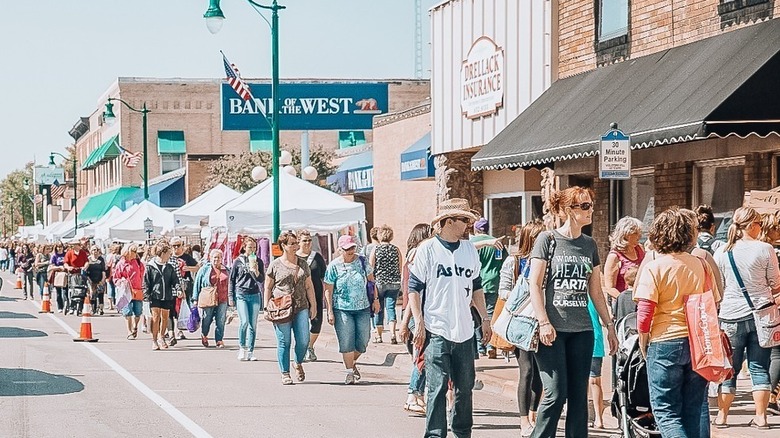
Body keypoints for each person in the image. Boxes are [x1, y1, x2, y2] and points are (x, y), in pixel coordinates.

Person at [527, 187, 617, 438]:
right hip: (552, 330)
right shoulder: (548, 240)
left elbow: (596, 292)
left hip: (583, 330)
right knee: (556, 393)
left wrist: (609, 326)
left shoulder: (589, 244)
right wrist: (543, 322)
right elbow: (534, 283)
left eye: (591, 204)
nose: (591, 210)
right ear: (569, 210)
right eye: (585, 206)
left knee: (579, 397)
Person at [406, 198, 493, 438]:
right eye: (464, 220)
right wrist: (419, 322)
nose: (468, 225)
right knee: (437, 387)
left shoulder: (469, 250)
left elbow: (476, 286)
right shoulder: (427, 249)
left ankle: (462, 432)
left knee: (465, 388)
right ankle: (435, 434)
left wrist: (485, 318)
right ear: (449, 221)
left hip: (464, 329)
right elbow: (413, 288)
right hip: (436, 328)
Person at [634, 207, 719, 437]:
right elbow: (712, 303)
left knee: (667, 413)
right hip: (697, 344)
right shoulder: (701, 265)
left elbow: (644, 314)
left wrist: (644, 343)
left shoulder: (654, 267)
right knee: (692, 411)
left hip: (664, 342)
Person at [713, 206, 780, 429]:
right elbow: (775, 283)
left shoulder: (722, 251)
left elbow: (717, 286)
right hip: (762, 315)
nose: (761, 227)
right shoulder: (765, 249)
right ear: (751, 225)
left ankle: (722, 416)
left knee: (729, 369)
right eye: (759, 223)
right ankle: (761, 417)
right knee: (759, 367)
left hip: (730, 315)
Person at [497, 219, 544, 437]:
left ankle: (534, 415)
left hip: (543, 321)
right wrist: (525, 291)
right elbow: (503, 292)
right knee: (526, 371)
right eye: (538, 238)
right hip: (523, 322)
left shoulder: (547, 261)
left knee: (541, 374)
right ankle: (523, 420)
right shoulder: (514, 262)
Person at [325, 235, 379, 385]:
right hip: (341, 308)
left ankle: (352, 362)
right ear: (340, 249)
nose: (350, 251)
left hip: (363, 307)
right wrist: (329, 310)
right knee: (347, 341)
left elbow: (371, 281)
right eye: (347, 248)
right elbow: (328, 289)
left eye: (352, 248)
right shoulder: (333, 266)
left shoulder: (362, 261)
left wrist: (376, 300)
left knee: (363, 341)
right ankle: (349, 372)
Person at [265, 231, 316, 385]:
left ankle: (298, 361)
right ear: (283, 246)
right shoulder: (275, 265)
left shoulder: (303, 263)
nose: (295, 246)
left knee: (303, 340)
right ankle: (285, 373)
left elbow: (309, 285)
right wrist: (267, 306)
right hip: (281, 308)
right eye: (292, 244)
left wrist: (313, 305)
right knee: (284, 341)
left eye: (296, 243)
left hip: (301, 306)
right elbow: (268, 287)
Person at [399, 223, 434, 415]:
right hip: (415, 311)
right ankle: (413, 394)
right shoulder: (418, 254)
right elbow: (416, 290)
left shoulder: (412, 254)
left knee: (422, 355)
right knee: (424, 355)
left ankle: (417, 395)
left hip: (412, 310)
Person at [469, 217, 505, 358]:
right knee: (489, 314)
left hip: (477, 283)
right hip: (494, 282)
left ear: (475, 229)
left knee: (475, 314)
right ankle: (491, 345)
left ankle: (480, 346)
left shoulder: (472, 244)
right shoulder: (497, 243)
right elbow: (504, 261)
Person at [758, 212, 780, 414]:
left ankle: (769, 398)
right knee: (777, 354)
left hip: (761, 307)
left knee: (765, 355)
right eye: (776, 227)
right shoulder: (771, 251)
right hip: (774, 306)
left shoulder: (755, 250)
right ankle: (768, 399)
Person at [230, 237, 265, 361]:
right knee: (244, 321)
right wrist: (231, 297)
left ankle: (250, 351)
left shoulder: (258, 261)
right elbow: (232, 279)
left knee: (253, 325)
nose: (252, 250)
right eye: (250, 247)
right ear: (244, 247)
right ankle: (242, 347)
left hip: (254, 294)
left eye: (254, 247)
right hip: (241, 294)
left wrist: (256, 271)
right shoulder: (238, 262)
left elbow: (261, 280)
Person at [297, 230, 327, 362]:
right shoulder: (294, 257)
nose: (308, 243)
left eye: (309, 240)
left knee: (317, 323)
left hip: (316, 295)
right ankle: (302, 348)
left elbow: (324, 278)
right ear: (298, 242)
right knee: (301, 325)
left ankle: (309, 346)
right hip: (300, 297)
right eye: (304, 240)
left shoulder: (317, 257)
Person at [143, 241, 180, 351]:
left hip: (167, 295)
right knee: (155, 318)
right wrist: (146, 295)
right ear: (163, 253)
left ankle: (161, 337)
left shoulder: (169, 267)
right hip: (155, 296)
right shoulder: (150, 266)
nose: (170, 255)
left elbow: (175, 280)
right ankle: (154, 340)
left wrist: (178, 289)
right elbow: (146, 282)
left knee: (165, 317)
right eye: (168, 253)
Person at [370, 225, 403, 344]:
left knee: (378, 308)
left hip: (379, 282)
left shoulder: (376, 249)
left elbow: (371, 267)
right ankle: (393, 334)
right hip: (394, 283)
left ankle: (379, 336)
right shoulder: (396, 249)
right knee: (391, 307)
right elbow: (400, 267)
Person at [194, 248, 230, 349]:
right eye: (214, 257)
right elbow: (197, 283)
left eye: (218, 258)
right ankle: (204, 334)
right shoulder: (204, 269)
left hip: (222, 298)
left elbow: (230, 284)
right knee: (207, 318)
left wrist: (231, 298)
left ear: (222, 258)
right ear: (210, 258)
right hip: (208, 297)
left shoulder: (226, 270)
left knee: (221, 320)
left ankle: (219, 340)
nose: (216, 260)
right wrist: (195, 299)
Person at [603, 216, 644, 302]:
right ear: (626, 235)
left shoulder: (640, 249)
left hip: (642, 300)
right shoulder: (614, 257)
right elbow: (610, 288)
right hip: (624, 303)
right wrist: (627, 301)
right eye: (635, 233)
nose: (639, 236)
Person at [113, 243, 145, 339]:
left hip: (137, 290)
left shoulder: (139, 263)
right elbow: (115, 278)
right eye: (133, 251)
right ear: (127, 252)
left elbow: (143, 275)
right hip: (126, 291)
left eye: (136, 251)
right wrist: (121, 281)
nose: (135, 253)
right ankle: (129, 331)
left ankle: (135, 326)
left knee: (138, 311)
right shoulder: (120, 264)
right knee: (127, 311)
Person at [84, 245, 106, 315]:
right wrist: (88, 279)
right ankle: (93, 308)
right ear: (91, 251)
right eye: (93, 250)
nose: (95, 251)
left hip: (99, 278)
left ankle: (101, 308)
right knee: (92, 294)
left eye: (96, 250)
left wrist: (103, 279)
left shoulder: (101, 259)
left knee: (100, 294)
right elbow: (85, 270)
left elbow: (103, 270)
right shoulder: (88, 259)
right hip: (91, 279)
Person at [49, 243, 68, 313]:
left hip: (65, 274)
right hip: (57, 274)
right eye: (58, 247)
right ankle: (60, 306)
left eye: (61, 247)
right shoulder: (54, 256)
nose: (59, 248)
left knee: (66, 291)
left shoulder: (66, 254)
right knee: (58, 292)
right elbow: (52, 266)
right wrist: (59, 267)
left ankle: (66, 305)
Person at [105, 243, 122, 312]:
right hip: (117, 275)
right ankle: (117, 305)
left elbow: (107, 265)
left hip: (110, 274)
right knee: (117, 290)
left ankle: (111, 305)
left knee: (110, 290)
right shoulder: (119, 256)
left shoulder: (108, 256)